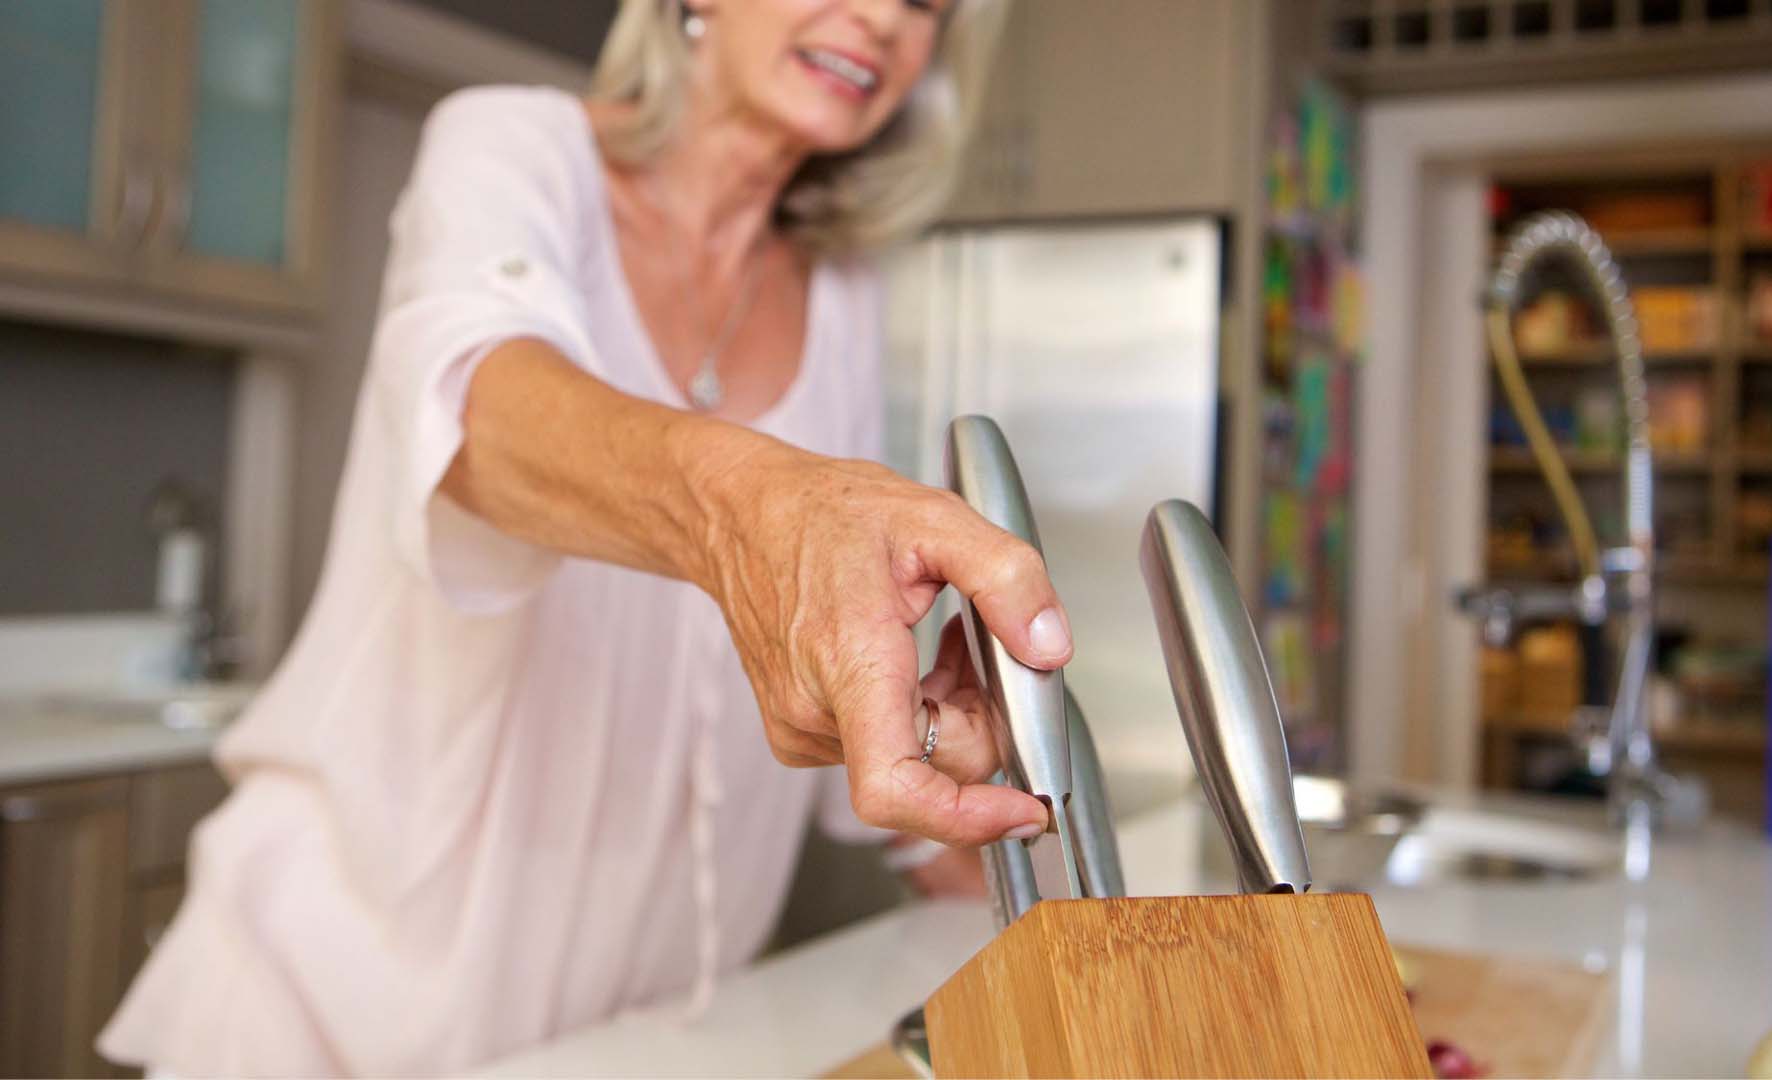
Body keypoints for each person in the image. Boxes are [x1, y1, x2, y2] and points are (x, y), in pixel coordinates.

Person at [99, 0, 1068, 1073]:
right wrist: (756, 509)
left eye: (929, 1)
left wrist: (945, 781)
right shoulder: (513, 145)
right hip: (330, 1010)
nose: (884, 15)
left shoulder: (843, 292)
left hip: (629, 1039)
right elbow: (476, 418)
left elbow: (819, 668)